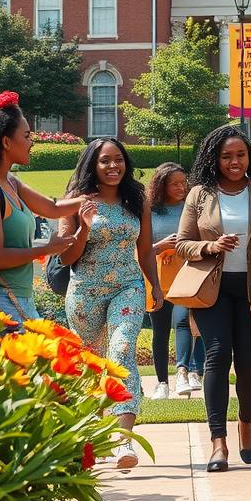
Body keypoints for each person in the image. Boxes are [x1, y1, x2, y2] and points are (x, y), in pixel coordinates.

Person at [56, 137, 162, 469]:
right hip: (85, 291)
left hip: (127, 287)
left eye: (118, 159)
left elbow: (144, 249)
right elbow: (66, 257)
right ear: (93, 165)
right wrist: (83, 229)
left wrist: (154, 285)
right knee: (90, 363)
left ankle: (122, 442)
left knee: (121, 350)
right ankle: (91, 435)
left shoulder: (137, 199)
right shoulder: (75, 201)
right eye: (105, 161)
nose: (113, 166)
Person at [176, 124, 251, 472]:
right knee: (216, 357)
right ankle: (218, 441)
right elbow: (182, 243)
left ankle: (246, 421)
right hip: (212, 287)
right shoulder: (200, 194)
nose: (234, 161)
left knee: (248, 363)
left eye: (241, 155)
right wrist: (210, 246)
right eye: (227, 156)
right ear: (214, 159)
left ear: (250, 157)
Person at [0, 91, 83, 323]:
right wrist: (46, 249)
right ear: (6, 142)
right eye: (27, 135)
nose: (32, 142)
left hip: (20, 298)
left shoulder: (9, 181)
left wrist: (94, 198)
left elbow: (52, 208)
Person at [146, 162, 204, 400]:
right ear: (162, 186)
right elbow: (139, 249)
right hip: (158, 278)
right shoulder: (149, 212)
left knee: (183, 322)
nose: (182, 188)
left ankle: (184, 371)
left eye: (183, 183)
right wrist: (160, 247)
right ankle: (162, 383)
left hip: (186, 276)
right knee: (159, 331)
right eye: (175, 184)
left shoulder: (191, 209)